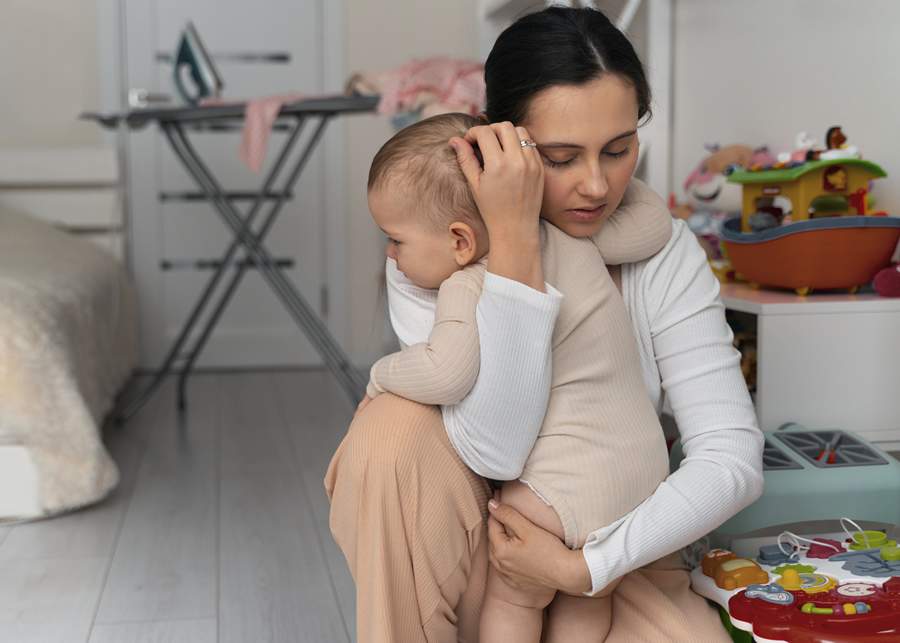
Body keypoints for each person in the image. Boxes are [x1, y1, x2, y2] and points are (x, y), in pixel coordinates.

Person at [326, 7, 764, 642]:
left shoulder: (658, 249)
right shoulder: (439, 249)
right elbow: (495, 447)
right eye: (561, 157)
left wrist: (586, 566)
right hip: (488, 536)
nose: (596, 185)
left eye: (619, 150)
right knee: (389, 431)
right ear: (499, 141)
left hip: (616, 542)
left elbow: (731, 458)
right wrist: (512, 248)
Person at [361, 111, 673, 640]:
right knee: (584, 598)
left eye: (396, 240)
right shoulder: (572, 235)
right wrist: (544, 187)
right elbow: (654, 224)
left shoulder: (467, 284)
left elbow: (446, 372)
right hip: (646, 470)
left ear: (461, 242)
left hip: (562, 489)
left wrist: (379, 375)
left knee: (514, 596)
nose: (390, 255)